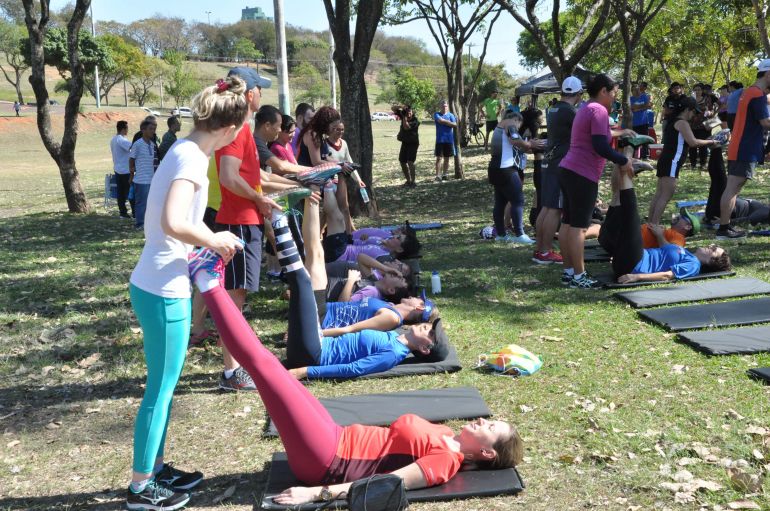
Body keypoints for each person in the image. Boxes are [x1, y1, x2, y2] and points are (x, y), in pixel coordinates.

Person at [188, 245, 522, 504]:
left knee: (263, 365)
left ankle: (208, 280)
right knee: (266, 367)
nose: (482, 421)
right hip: (335, 435)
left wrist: (317, 493)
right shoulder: (447, 434)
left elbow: (388, 483)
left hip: (327, 460)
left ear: (487, 453)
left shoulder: (445, 461)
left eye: (490, 428)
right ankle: (208, 280)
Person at [125, 75, 249, 511]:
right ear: (232, 128)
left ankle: (155, 469)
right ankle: (141, 488)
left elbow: (169, 226)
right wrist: (214, 239)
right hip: (162, 289)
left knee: (165, 385)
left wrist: (204, 242)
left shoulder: (185, 150)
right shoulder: (193, 159)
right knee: (160, 390)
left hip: (159, 282)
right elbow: (174, 222)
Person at [214, 66, 280, 391]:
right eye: (260, 90)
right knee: (232, 302)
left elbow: (258, 177)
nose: (262, 96)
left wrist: (294, 183)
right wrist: (258, 198)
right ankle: (232, 373)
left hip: (247, 222)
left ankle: (236, 368)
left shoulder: (243, 130)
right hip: (237, 224)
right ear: (249, 95)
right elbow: (228, 177)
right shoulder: (235, 129)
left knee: (237, 300)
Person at [558, 73, 636, 289]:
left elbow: (596, 135)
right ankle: (579, 276)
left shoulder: (585, 107)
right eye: (613, 93)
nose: (614, 98)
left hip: (568, 169)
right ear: (603, 91)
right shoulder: (599, 110)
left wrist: (618, 133)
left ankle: (569, 272)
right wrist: (623, 161)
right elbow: (600, 146)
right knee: (579, 227)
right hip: (582, 174)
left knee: (567, 223)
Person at [599, 165, 731, 284]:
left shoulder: (693, 265)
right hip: (631, 258)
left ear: (710, 262)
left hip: (636, 264)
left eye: (713, 250)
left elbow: (668, 275)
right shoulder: (687, 254)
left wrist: (637, 277)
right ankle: (625, 165)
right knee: (612, 225)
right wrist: (660, 236)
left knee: (630, 213)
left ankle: (627, 169)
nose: (712, 246)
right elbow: (666, 248)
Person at [717, 60, 770, 239]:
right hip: (745, 148)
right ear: (768, 74)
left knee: (733, 188)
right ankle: (724, 229)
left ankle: (725, 227)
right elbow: (765, 123)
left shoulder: (749, 92)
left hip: (739, 146)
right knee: (732, 189)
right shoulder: (757, 95)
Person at [533, 76, 583, 265]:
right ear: (578, 94)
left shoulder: (553, 109)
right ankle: (545, 252)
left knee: (546, 208)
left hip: (549, 160)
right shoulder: (571, 112)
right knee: (554, 209)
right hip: (560, 163)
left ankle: (540, 249)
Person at [647, 96, 718, 225]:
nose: (694, 115)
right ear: (687, 110)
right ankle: (654, 225)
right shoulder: (682, 123)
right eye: (694, 112)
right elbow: (693, 142)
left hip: (666, 160)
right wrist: (712, 141)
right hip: (672, 162)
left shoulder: (672, 121)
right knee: (665, 195)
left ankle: (651, 224)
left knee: (659, 194)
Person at [488, 110, 543, 244]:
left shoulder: (499, 127)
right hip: (506, 168)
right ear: (516, 119)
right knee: (518, 200)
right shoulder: (510, 122)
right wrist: (531, 144)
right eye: (520, 124)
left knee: (500, 202)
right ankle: (520, 234)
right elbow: (514, 139)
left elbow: (514, 145)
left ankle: (501, 234)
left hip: (494, 168)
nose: (519, 128)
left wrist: (528, 147)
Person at [129, 117, 159, 230]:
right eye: (150, 129)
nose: (153, 131)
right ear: (143, 130)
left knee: (151, 203)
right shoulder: (137, 144)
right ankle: (139, 223)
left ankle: (148, 222)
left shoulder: (152, 144)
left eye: (154, 129)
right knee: (141, 203)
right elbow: (131, 159)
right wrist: (132, 174)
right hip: (141, 180)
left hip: (151, 179)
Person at [520, 107, 545, 227]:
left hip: (524, 162)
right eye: (541, 116)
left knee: (537, 190)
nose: (543, 118)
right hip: (526, 163)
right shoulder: (533, 127)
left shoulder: (521, 126)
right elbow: (533, 145)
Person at [688, 83, 716, 169]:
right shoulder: (690, 100)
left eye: (699, 89)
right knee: (692, 145)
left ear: (702, 90)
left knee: (703, 146)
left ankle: (703, 163)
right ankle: (693, 163)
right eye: (695, 90)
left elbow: (711, 110)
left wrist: (710, 113)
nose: (697, 91)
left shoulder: (707, 99)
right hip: (692, 125)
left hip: (704, 126)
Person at [110, 120, 133, 219]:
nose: (128, 130)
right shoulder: (121, 139)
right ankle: (133, 212)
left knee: (120, 192)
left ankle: (122, 212)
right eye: (127, 128)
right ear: (123, 129)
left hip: (117, 168)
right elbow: (132, 147)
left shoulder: (113, 139)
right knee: (130, 192)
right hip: (125, 170)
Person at [433, 100, 457, 181]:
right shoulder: (436, 114)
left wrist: (444, 121)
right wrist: (448, 122)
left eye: (446, 106)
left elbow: (455, 125)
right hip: (440, 140)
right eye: (443, 106)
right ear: (440, 106)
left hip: (449, 140)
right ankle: (438, 175)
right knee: (439, 158)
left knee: (447, 158)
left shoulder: (451, 115)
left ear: (447, 107)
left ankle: (445, 174)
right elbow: (440, 120)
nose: (444, 107)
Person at [397, 105, 419, 186]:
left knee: (410, 161)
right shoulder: (403, 115)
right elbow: (393, 108)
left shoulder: (415, 121)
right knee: (402, 161)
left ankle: (413, 181)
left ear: (412, 113)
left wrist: (404, 118)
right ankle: (408, 181)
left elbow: (406, 127)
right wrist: (401, 106)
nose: (409, 113)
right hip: (405, 142)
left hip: (413, 143)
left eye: (410, 112)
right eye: (407, 111)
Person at [630, 82, 652, 160]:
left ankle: (645, 156)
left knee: (645, 139)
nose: (637, 91)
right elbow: (632, 108)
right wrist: (643, 106)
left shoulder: (644, 96)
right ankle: (634, 157)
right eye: (634, 90)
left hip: (644, 122)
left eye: (638, 89)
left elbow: (648, 106)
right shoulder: (630, 99)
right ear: (632, 91)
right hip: (634, 123)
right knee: (634, 140)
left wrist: (638, 108)